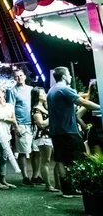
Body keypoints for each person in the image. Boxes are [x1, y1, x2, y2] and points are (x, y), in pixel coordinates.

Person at [47, 66, 100, 198]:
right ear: (64, 76)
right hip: (68, 131)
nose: (70, 76)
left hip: (55, 131)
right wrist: (101, 107)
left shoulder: (51, 90)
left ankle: (67, 189)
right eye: (69, 74)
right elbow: (82, 102)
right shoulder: (64, 89)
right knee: (78, 157)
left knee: (61, 160)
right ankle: (78, 186)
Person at [6, 68, 35, 186]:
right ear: (14, 78)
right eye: (17, 76)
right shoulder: (12, 91)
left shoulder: (31, 90)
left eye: (21, 75)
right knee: (23, 152)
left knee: (36, 151)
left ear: (25, 76)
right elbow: (10, 109)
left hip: (33, 123)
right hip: (21, 124)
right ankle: (25, 176)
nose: (19, 78)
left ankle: (36, 175)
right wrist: (15, 126)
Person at [0, 88, 18, 190]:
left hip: (6, 134)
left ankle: (3, 179)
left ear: (3, 94)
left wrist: (3, 119)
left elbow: (13, 119)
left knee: (4, 157)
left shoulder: (10, 106)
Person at [30, 87, 58, 192]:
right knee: (45, 161)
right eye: (43, 93)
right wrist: (52, 117)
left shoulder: (44, 107)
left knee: (53, 160)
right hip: (43, 137)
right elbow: (41, 124)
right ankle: (48, 185)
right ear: (37, 96)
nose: (45, 94)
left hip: (49, 135)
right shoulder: (36, 108)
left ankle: (55, 184)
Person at [76, 80, 102, 155]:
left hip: (95, 132)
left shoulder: (90, 102)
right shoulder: (92, 102)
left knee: (98, 161)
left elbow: (77, 115)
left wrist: (85, 126)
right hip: (96, 133)